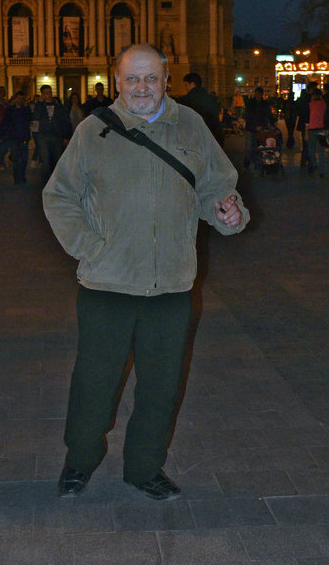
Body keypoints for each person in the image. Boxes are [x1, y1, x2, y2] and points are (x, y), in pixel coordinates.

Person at [43, 44, 248, 501]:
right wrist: (89, 247)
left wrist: (229, 213)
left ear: (166, 79)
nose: (141, 88)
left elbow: (217, 185)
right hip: (106, 286)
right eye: (132, 79)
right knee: (94, 385)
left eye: (150, 78)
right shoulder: (93, 131)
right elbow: (58, 196)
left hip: (171, 286)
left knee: (161, 388)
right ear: (117, 81)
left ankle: (144, 467)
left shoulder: (190, 125)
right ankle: (79, 461)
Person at [32, 84, 71, 184]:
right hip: (43, 136)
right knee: (45, 161)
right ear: (42, 95)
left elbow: (64, 121)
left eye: (49, 93)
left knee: (57, 159)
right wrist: (36, 137)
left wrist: (66, 136)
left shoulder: (58, 106)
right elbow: (35, 121)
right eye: (45, 93)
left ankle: (56, 181)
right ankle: (46, 182)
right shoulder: (39, 106)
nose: (48, 95)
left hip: (56, 135)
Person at [175, 72, 224, 146]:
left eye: (186, 85)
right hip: (212, 138)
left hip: (194, 139)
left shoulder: (187, 100)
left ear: (192, 84)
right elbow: (216, 121)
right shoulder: (212, 98)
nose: (186, 88)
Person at [0, 91, 31, 184]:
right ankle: (17, 178)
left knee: (24, 159)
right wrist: (4, 134)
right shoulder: (10, 110)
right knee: (16, 158)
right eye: (18, 98)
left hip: (23, 137)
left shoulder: (26, 110)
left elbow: (29, 120)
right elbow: (5, 123)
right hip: (14, 137)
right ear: (15, 99)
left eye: (22, 99)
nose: (20, 100)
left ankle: (22, 175)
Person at [306, 88, 327, 176]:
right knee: (321, 151)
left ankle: (314, 164)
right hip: (321, 129)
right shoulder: (324, 105)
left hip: (312, 129)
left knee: (311, 149)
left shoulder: (310, 105)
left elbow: (307, 119)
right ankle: (322, 171)